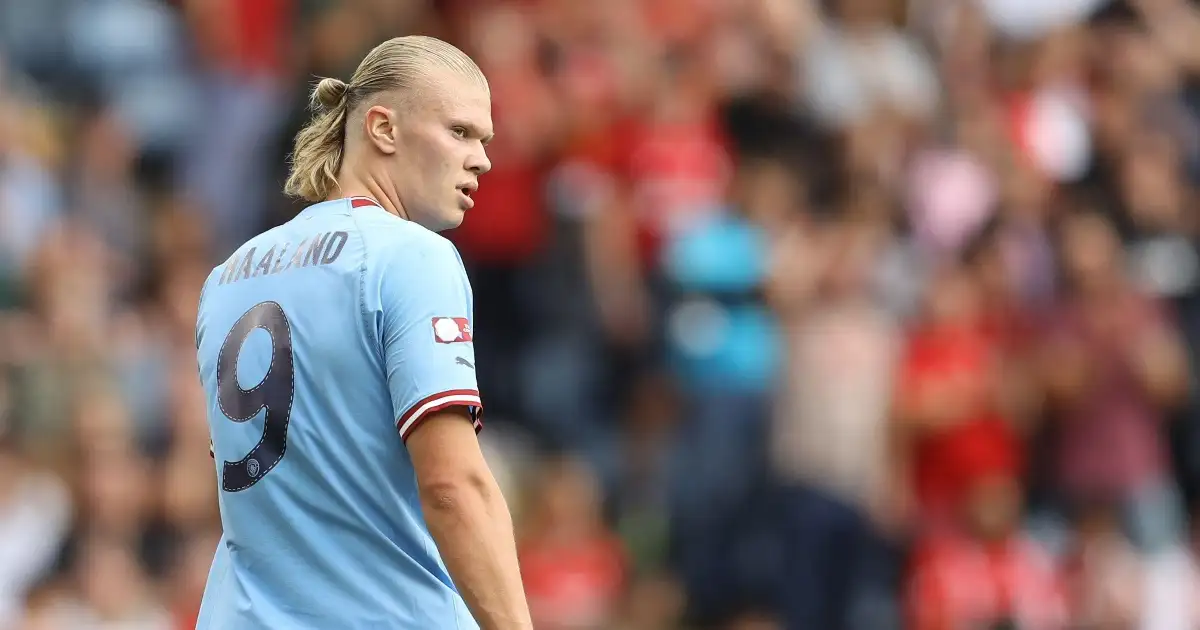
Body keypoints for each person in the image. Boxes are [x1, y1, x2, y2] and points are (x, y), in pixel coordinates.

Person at [193, 36, 531, 630]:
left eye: (484, 140)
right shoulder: (412, 258)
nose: (482, 159)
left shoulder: (227, 276)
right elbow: (453, 486)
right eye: (460, 131)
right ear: (383, 129)